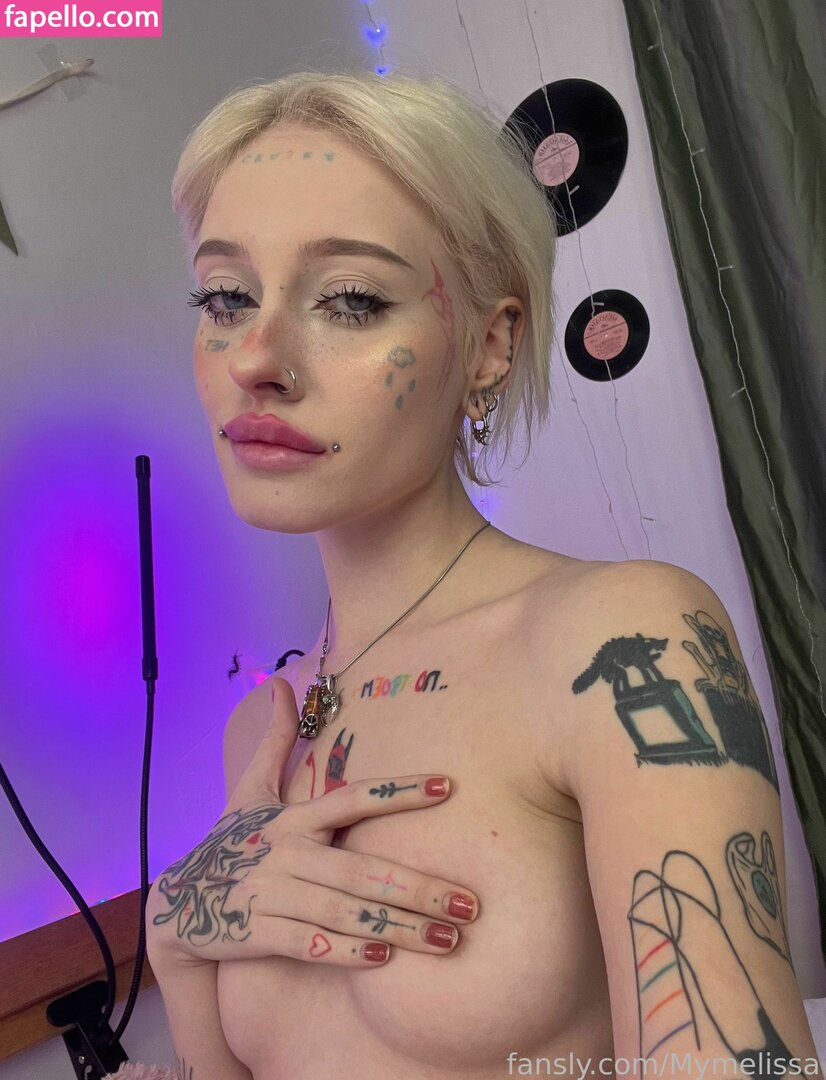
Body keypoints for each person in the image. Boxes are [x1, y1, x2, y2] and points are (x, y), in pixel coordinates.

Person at [145, 69, 821, 1080]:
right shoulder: (262, 727)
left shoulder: (619, 643)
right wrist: (175, 927)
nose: (256, 357)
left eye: (349, 300)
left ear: (490, 347)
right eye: (226, 297)